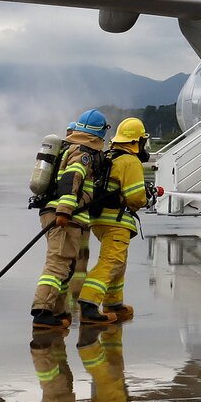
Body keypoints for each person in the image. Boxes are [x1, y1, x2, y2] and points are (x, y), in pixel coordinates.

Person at [31, 109, 109, 331]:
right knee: (57, 264)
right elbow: (71, 179)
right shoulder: (82, 153)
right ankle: (42, 312)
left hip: (60, 214)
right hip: (63, 215)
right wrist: (65, 211)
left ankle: (56, 312)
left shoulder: (70, 147)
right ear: (98, 133)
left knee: (65, 264)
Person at [78, 118, 151, 325]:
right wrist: (148, 198)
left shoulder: (110, 156)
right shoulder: (130, 161)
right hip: (116, 221)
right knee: (111, 262)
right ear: (136, 141)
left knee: (119, 263)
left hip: (100, 219)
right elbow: (136, 197)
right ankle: (88, 305)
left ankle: (113, 304)